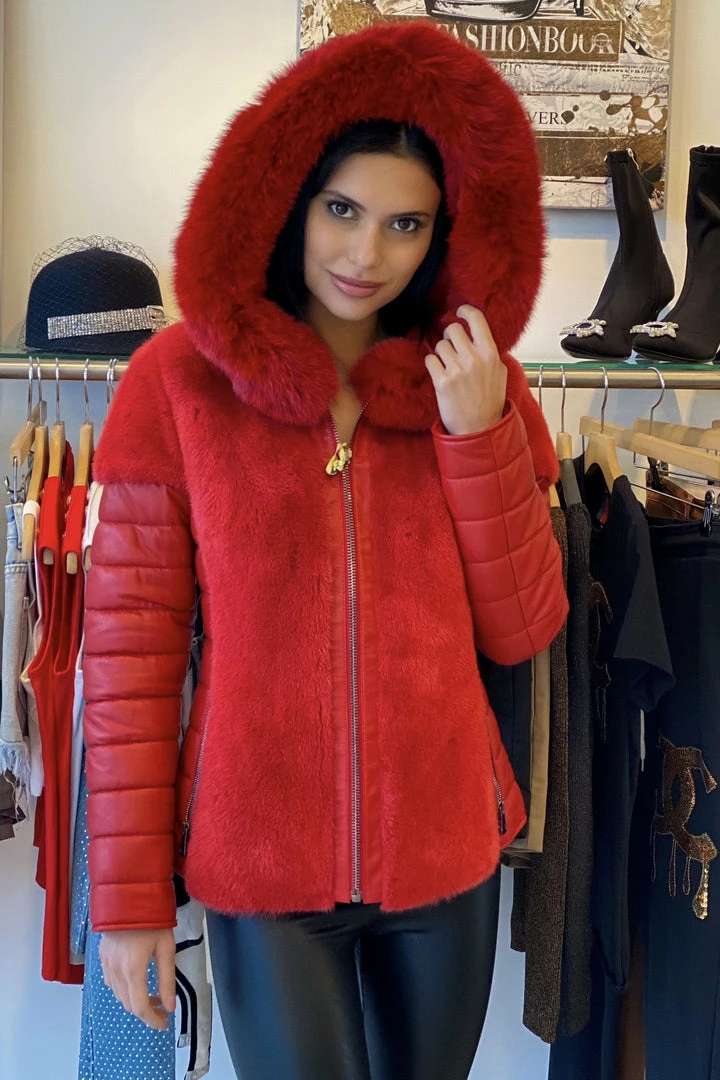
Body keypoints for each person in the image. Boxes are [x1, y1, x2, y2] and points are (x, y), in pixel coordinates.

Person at [82, 20, 568, 1080]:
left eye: (405, 224)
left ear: (442, 234)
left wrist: (477, 435)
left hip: (444, 860)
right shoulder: (179, 383)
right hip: (263, 867)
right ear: (290, 199)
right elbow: (128, 658)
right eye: (342, 210)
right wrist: (126, 900)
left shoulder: (476, 382)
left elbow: (524, 626)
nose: (365, 255)